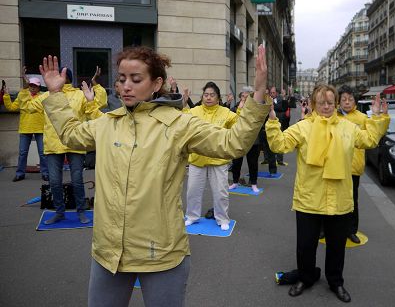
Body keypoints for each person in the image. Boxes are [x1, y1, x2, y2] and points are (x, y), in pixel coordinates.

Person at [39, 45, 269, 307]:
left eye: (136, 79)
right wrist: (55, 92)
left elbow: (233, 142)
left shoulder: (180, 124)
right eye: (122, 79)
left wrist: (258, 92)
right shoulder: (106, 123)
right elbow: (70, 134)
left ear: (156, 83)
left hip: (162, 253)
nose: (126, 86)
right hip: (109, 252)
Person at [265, 84, 389, 303]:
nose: (326, 106)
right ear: (314, 103)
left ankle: (336, 281)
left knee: (336, 247)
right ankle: (305, 277)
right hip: (309, 199)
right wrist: (273, 120)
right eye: (321, 102)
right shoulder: (303, 127)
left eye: (330, 102)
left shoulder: (348, 127)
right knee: (305, 246)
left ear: (336, 103)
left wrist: (378, 118)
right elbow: (279, 145)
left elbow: (369, 140)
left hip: (339, 200)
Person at [24, 67, 107, 225]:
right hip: (53, 144)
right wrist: (31, 88)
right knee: (54, 182)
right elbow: (28, 106)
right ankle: (59, 212)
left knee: (77, 180)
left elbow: (99, 104)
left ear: (66, 78)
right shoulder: (48, 95)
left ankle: (81, 211)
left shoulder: (78, 94)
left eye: (61, 76)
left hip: (75, 143)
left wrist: (96, 85)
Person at [184, 81, 239, 230]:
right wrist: (182, 103)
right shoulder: (194, 111)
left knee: (221, 192)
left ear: (218, 97)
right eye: (206, 95)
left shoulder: (226, 112)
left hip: (219, 159)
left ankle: (222, 218)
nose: (208, 97)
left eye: (212, 95)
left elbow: (239, 125)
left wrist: (241, 110)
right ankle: (192, 216)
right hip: (197, 158)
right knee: (192, 191)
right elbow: (180, 121)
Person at [338, 85, 386, 244]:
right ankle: (326, 229)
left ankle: (351, 231)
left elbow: (375, 134)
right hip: (335, 166)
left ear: (355, 101)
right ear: (338, 101)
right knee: (331, 199)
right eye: (343, 99)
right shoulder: (333, 116)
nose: (347, 102)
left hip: (353, 167)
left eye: (350, 99)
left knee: (352, 201)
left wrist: (379, 115)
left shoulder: (362, 118)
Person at [3, 68, 48, 182]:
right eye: (31, 85)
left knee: (42, 153)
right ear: (28, 86)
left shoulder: (42, 96)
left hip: (40, 127)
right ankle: (20, 174)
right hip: (25, 127)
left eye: (35, 85)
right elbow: (11, 107)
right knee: (23, 153)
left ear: (38, 87)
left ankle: (45, 173)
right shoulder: (23, 95)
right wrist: (6, 96)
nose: (32, 87)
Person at [229, 86, 261, 193]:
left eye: (246, 97)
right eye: (242, 96)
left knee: (252, 162)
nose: (244, 99)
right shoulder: (236, 107)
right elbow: (233, 119)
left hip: (252, 139)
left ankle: (253, 183)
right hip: (239, 138)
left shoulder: (255, 108)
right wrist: (239, 108)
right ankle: (235, 181)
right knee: (236, 161)